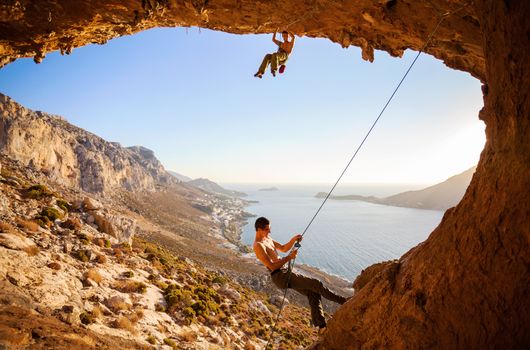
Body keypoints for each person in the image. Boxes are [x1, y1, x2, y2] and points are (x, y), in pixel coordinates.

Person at [252, 217, 347, 331]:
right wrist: (289, 258)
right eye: (267, 229)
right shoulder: (258, 245)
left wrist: (294, 239)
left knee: (313, 293)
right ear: (259, 229)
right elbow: (272, 266)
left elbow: (283, 248)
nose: (270, 232)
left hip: (284, 272)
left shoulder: (267, 239)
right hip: (280, 276)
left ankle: (321, 326)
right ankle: (344, 301)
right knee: (317, 284)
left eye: (269, 229)